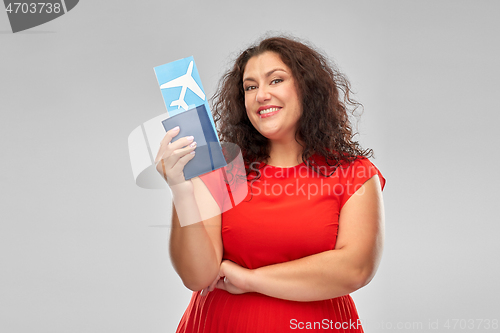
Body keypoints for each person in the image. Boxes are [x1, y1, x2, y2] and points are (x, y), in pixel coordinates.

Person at [155, 35, 386, 332]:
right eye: (250, 87)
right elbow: (198, 277)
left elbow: (356, 268)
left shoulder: (353, 173)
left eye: (275, 81)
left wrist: (248, 279)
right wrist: (180, 188)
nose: (260, 95)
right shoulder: (223, 170)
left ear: (307, 88)